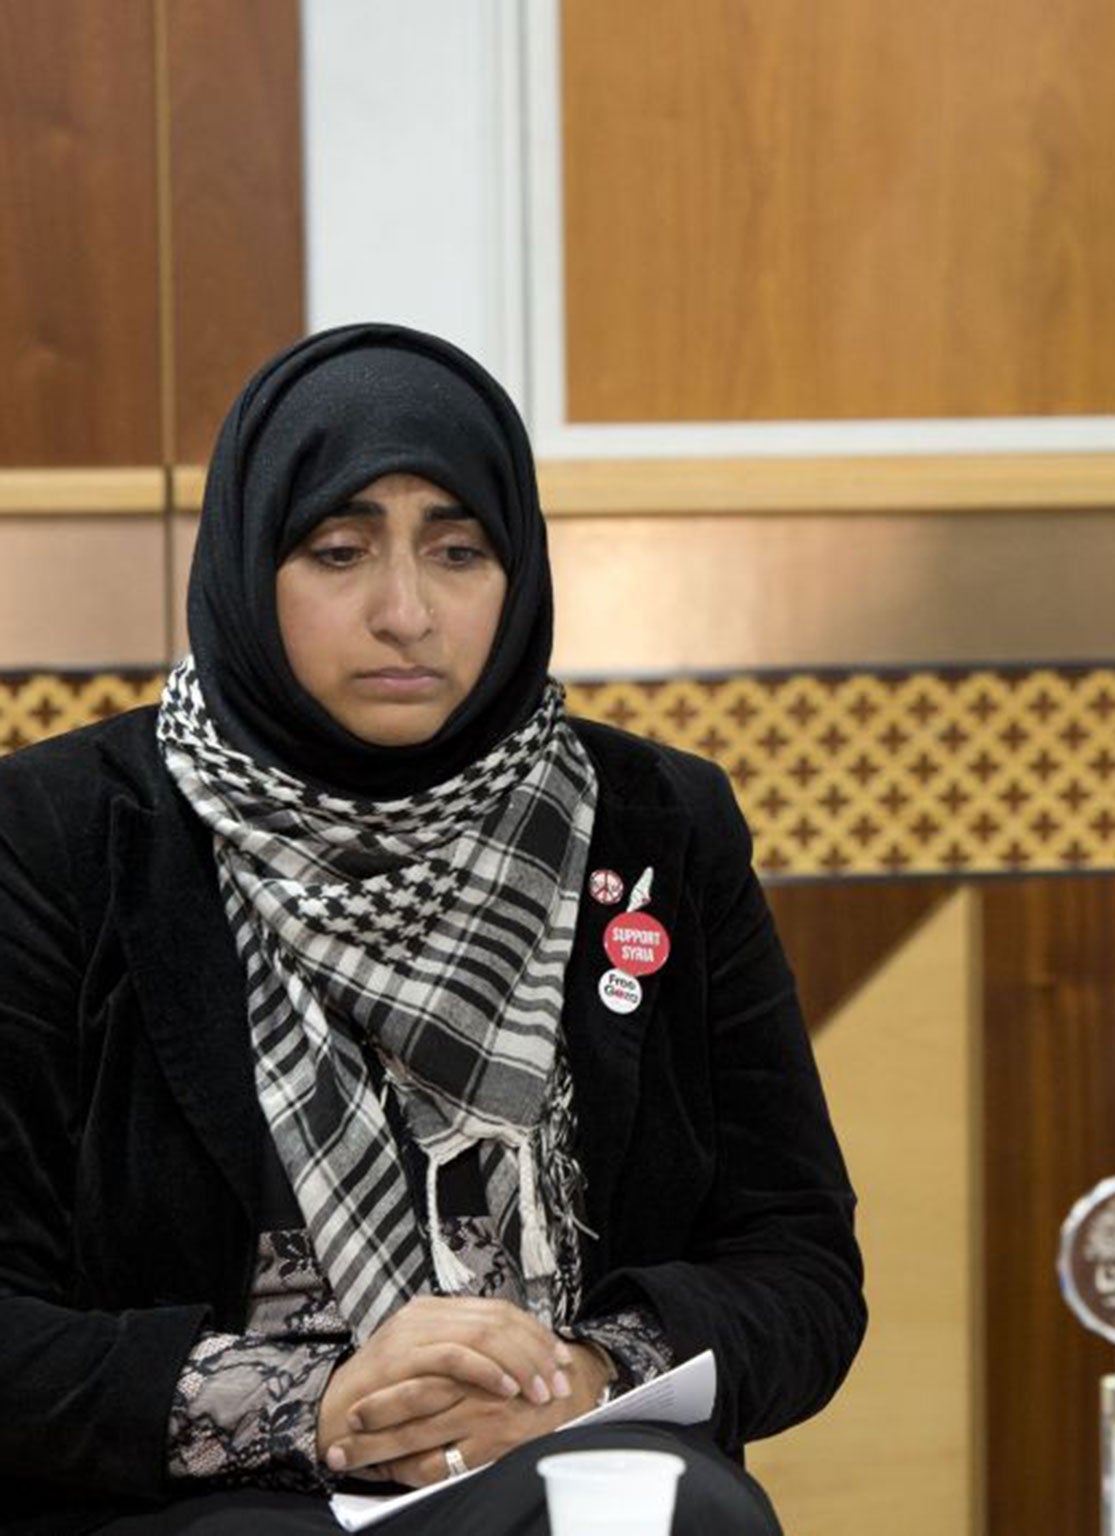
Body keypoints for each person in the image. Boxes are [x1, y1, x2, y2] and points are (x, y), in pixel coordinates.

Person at [0, 324, 864, 1533]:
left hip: (544, 1462)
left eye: (459, 552)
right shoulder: (61, 831)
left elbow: (798, 1264)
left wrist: (580, 1377)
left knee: (667, 1511)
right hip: (197, 1492)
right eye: (339, 550)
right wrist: (317, 1402)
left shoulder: (652, 824)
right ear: (252, 566)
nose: (404, 611)